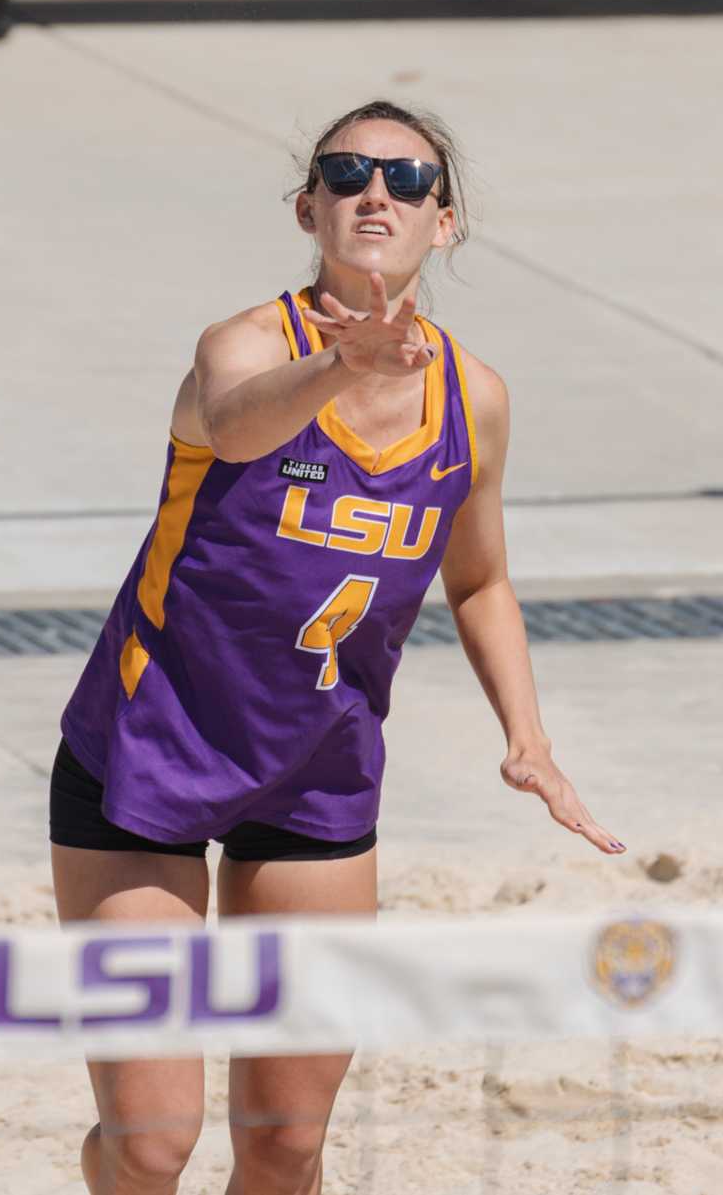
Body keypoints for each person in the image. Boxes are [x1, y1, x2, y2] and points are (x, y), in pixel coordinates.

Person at [51, 98, 620, 1195]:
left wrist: (528, 737)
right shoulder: (247, 347)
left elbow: (481, 577)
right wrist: (342, 364)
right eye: (346, 173)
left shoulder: (473, 397)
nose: (376, 194)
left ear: (442, 223)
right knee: (151, 1140)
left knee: (286, 1142)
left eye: (407, 181)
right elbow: (236, 429)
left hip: (315, 772)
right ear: (308, 206)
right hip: (146, 753)